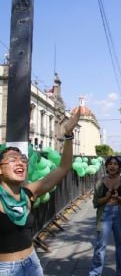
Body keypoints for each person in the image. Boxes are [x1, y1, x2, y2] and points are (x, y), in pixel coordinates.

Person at [0, 107, 80, 276]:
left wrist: (68, 134)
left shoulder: (28, 193)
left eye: (23, 159)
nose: (20, 163)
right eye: (12, 160)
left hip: (32, 264)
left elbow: (64, 167)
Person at [89, 156, 121, 276]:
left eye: (115, 164)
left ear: (119, 167)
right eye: (110, 164)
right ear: (106, 167)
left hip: (120, 214)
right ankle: (95, 273)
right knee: (100, 246)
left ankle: (120, 273)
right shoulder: (100, 183)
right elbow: (95, 203)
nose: (113, 166)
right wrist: (107, 197)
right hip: (105, 214)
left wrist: (118, 198)